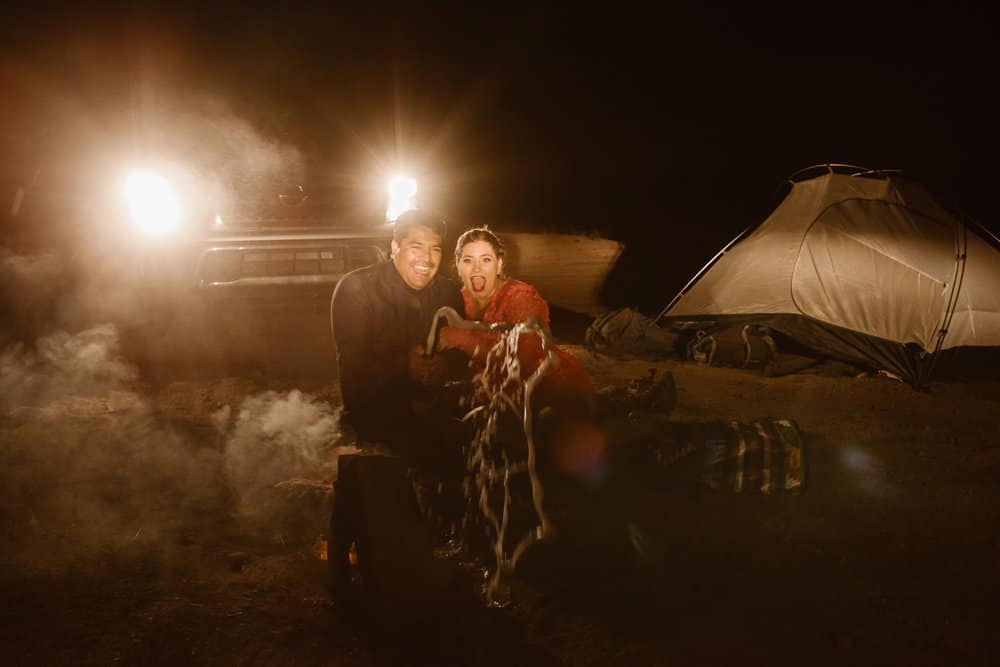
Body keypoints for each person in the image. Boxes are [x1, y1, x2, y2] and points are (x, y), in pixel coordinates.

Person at [437, 226, 605, 482]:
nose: (477, 269)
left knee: (559, 454)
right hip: (502, 395)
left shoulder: (521, 297)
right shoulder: (460, 300)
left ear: (499, 263)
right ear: (457, 265)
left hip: (553, 390)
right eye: (468, 260)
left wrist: (461, 338)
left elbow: (520, 357)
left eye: (486, 260)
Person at [329, 209, 468, 461]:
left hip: (431, 410)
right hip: (373, 416)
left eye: (435, 249)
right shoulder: (356, 288)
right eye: (416, 246)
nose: (427, 258)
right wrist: (405, 365)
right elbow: (351, 366)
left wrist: (444, 366)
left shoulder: (448, 293)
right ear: (394, 248)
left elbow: (464, 354)